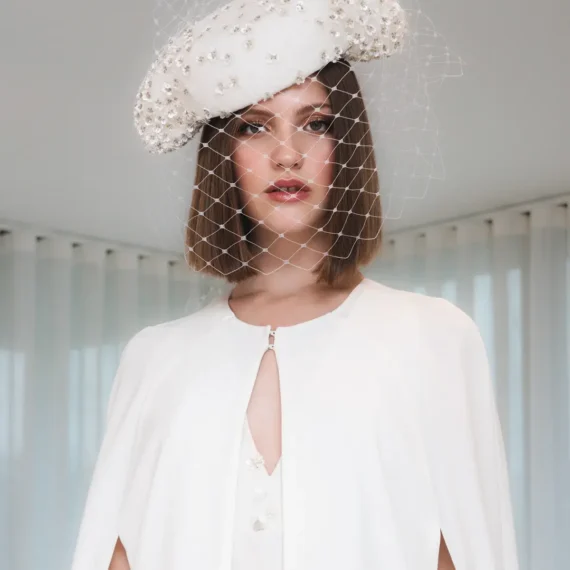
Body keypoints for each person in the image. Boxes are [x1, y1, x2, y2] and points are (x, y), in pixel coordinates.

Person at [71, 1, 520, 569]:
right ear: (222, 156)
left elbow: (468, 552)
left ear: (348, 143)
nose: (287, 154)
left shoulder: (435, 338)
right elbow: (115, 555)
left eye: (316, 124)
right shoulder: (153, 359)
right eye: (254, 127)